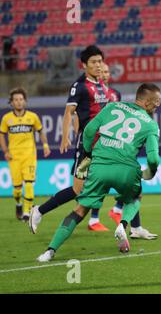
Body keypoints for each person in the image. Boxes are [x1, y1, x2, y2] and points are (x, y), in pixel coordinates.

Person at [36, 83, 161, 262]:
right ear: (147, 102)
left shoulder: (112, 106)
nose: (158, 105)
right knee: (135, 197)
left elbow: (88, 131)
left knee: (79, 210)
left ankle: (49, 251)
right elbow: (154, 159)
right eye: (156, 101)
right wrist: (150, 172)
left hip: (99, 166)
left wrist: (87, 153)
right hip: (125, 169)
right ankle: (123, 224)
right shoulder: (150, 125)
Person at [29, 45, 116, 233]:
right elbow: (69, 112)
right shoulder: (80, 86)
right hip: (87, 146)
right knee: (78, 190)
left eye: (100, 61)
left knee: (101, 184)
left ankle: (116, 220)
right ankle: (39, 211)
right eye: (93, 62)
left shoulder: (102, 86)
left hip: (103, 146)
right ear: (83, 65)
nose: (98, 65)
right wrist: (65, 136)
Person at [99, 63, 158, 240]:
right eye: (102, 71)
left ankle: (134, 225)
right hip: (106, 146)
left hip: (115, 148)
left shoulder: (115, 95)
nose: (104, 74)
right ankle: (108, 218)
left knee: (132, 190)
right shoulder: (90, 92)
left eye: (107, 71)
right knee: (84, 193)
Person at [0, 87, 51, 221]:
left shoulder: (32, 117)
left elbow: (40, 131)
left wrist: (45, 145)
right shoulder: (7, 119)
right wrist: (5, 151)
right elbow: (1, 135)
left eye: (21, 99)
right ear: (11, 102)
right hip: (14, 157)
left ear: (25, 101)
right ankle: (18, 203)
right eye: (16, 100)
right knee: (17, 188)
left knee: (28, 183)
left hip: (29, 155)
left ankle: (27, 212)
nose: (18, 102)